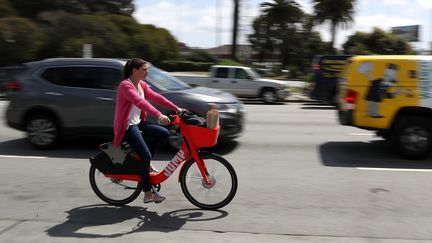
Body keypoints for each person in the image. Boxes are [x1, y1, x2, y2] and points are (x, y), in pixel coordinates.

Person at [113, 58, 183, 203]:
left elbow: (156, 97)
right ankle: (147, 193)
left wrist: (177, 108)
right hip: (127, 127)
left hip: (138, 123)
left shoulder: (141, 85)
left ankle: (145, 163)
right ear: (135, 71)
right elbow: (140, 102)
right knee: (145, 155)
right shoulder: (126, 86)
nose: (147, 72)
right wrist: (158, 114)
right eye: (144, 69)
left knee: (163, 133)